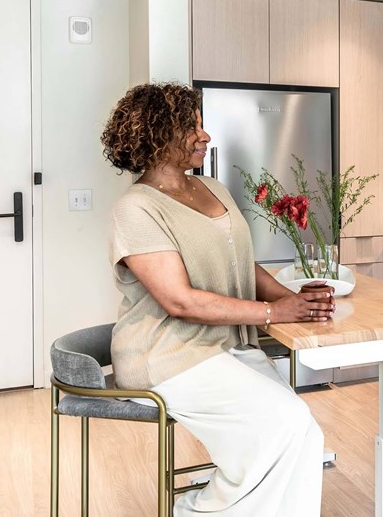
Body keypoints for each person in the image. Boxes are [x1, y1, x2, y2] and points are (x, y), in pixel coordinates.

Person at [100, 82, 335, 517]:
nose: (205, 135)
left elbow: (242, 264)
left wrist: (295, 300)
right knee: (283, 424)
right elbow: (180, 301)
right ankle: (195, 510)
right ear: (158, 133)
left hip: (226, 346)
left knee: (304, 432)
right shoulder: (135, 209)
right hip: (166, 354)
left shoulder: (213, 188)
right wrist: (272, 312)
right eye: (192, 126)